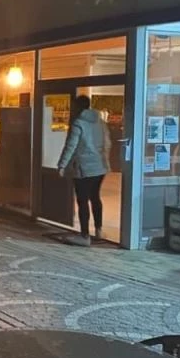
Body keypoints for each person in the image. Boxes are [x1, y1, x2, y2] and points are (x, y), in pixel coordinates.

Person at [56, 95, 111, 247]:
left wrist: (62, 165)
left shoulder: (78, 123)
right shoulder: (100, 122)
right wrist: (104, 160)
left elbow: (71, 146)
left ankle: (85, 235)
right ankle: (98, 230)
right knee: (95, 197)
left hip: (83, 167)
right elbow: (107, 142)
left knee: (82, 200)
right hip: (99, 167)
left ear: (77, 107)